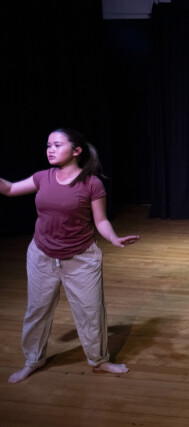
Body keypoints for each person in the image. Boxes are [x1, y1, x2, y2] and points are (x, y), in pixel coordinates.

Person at [2, 128, 140, 384]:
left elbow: (101, 220)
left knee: (91, 313)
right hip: (41, 255)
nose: (50, 150)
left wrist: (113, 238)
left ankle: (99, 361)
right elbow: (9, 189)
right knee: (37, 311)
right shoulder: (42, 177)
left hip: (81, 258)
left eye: (57, 145)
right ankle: (33, 360)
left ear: (76, 151)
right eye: (48, 145)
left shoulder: (91, 183)